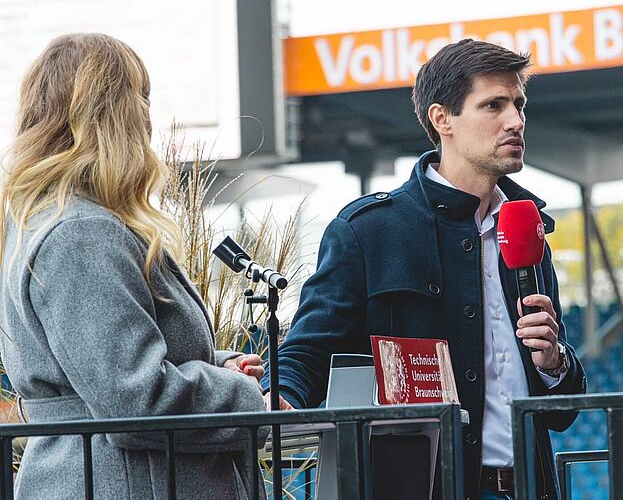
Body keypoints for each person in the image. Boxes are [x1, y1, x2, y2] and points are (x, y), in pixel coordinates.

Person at [266, 39, 586, 499]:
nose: (515, 121)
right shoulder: (368, 231)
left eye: (519, 104)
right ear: (442, 119)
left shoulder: (528, 230)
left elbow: (560, 412)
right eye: (493, 105)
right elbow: (309, 352)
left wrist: (555, 363)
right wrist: (277, 397)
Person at [0, 33, 269, 499]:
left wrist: (218, 367)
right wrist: (245, 399)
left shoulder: (47, 223)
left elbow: (106, 372)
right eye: (141, 98)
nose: (149, 118)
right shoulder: (81, 234)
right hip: (127, 479)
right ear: (117, 114)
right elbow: (137, 399)